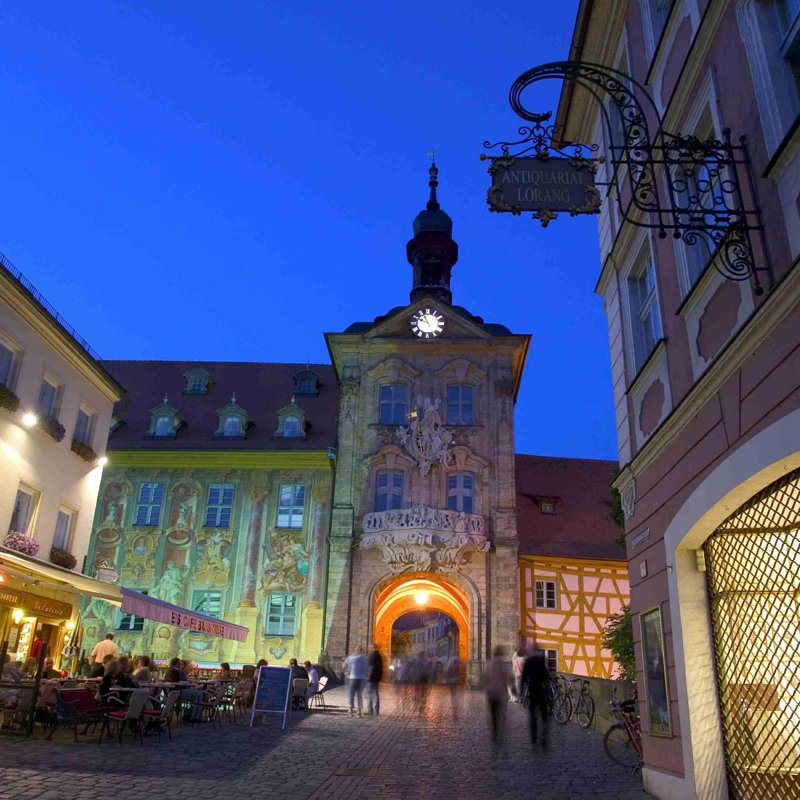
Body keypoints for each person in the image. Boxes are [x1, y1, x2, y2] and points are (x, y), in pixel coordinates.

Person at [522, 642, 550, 748]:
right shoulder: (541, 661)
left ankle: (534, 739)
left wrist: (522, 693)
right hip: (542, 692)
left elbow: (524, 678)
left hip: (532, 692)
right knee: (544, 717)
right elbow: (545, 677)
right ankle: (544, 738)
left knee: (533, 717)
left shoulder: (528, 661)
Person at [486, 645, 509, 746]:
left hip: (491, 692)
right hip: (500, 692)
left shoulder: (489, 663)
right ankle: (500, 732)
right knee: (500, 713)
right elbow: (505, 678)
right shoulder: (503, 664)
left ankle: (495, 733)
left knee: (493, 714)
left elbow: (486, 677)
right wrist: (506, 691)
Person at [343, 645, 368, 718]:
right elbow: (367, 669)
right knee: (359, 696)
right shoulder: (364, 659)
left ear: (355, 650)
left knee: (351, 694)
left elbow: (344, 666)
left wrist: (346, 672)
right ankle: (359, 712)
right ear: (362, 651)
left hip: (353, 678)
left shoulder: (351, 658)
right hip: (361, 679)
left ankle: (350, 711)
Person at [366, 643, 383, 716]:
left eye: (370, 647)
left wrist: (368, 676)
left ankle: (372, 710)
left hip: (372, 677)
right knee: (374, 693)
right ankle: (374, 710)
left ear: (373, 648)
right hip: (377, 677)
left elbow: (371, 667)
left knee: (372, 693)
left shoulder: (373, 655)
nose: (369, 649)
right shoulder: (378, 655)